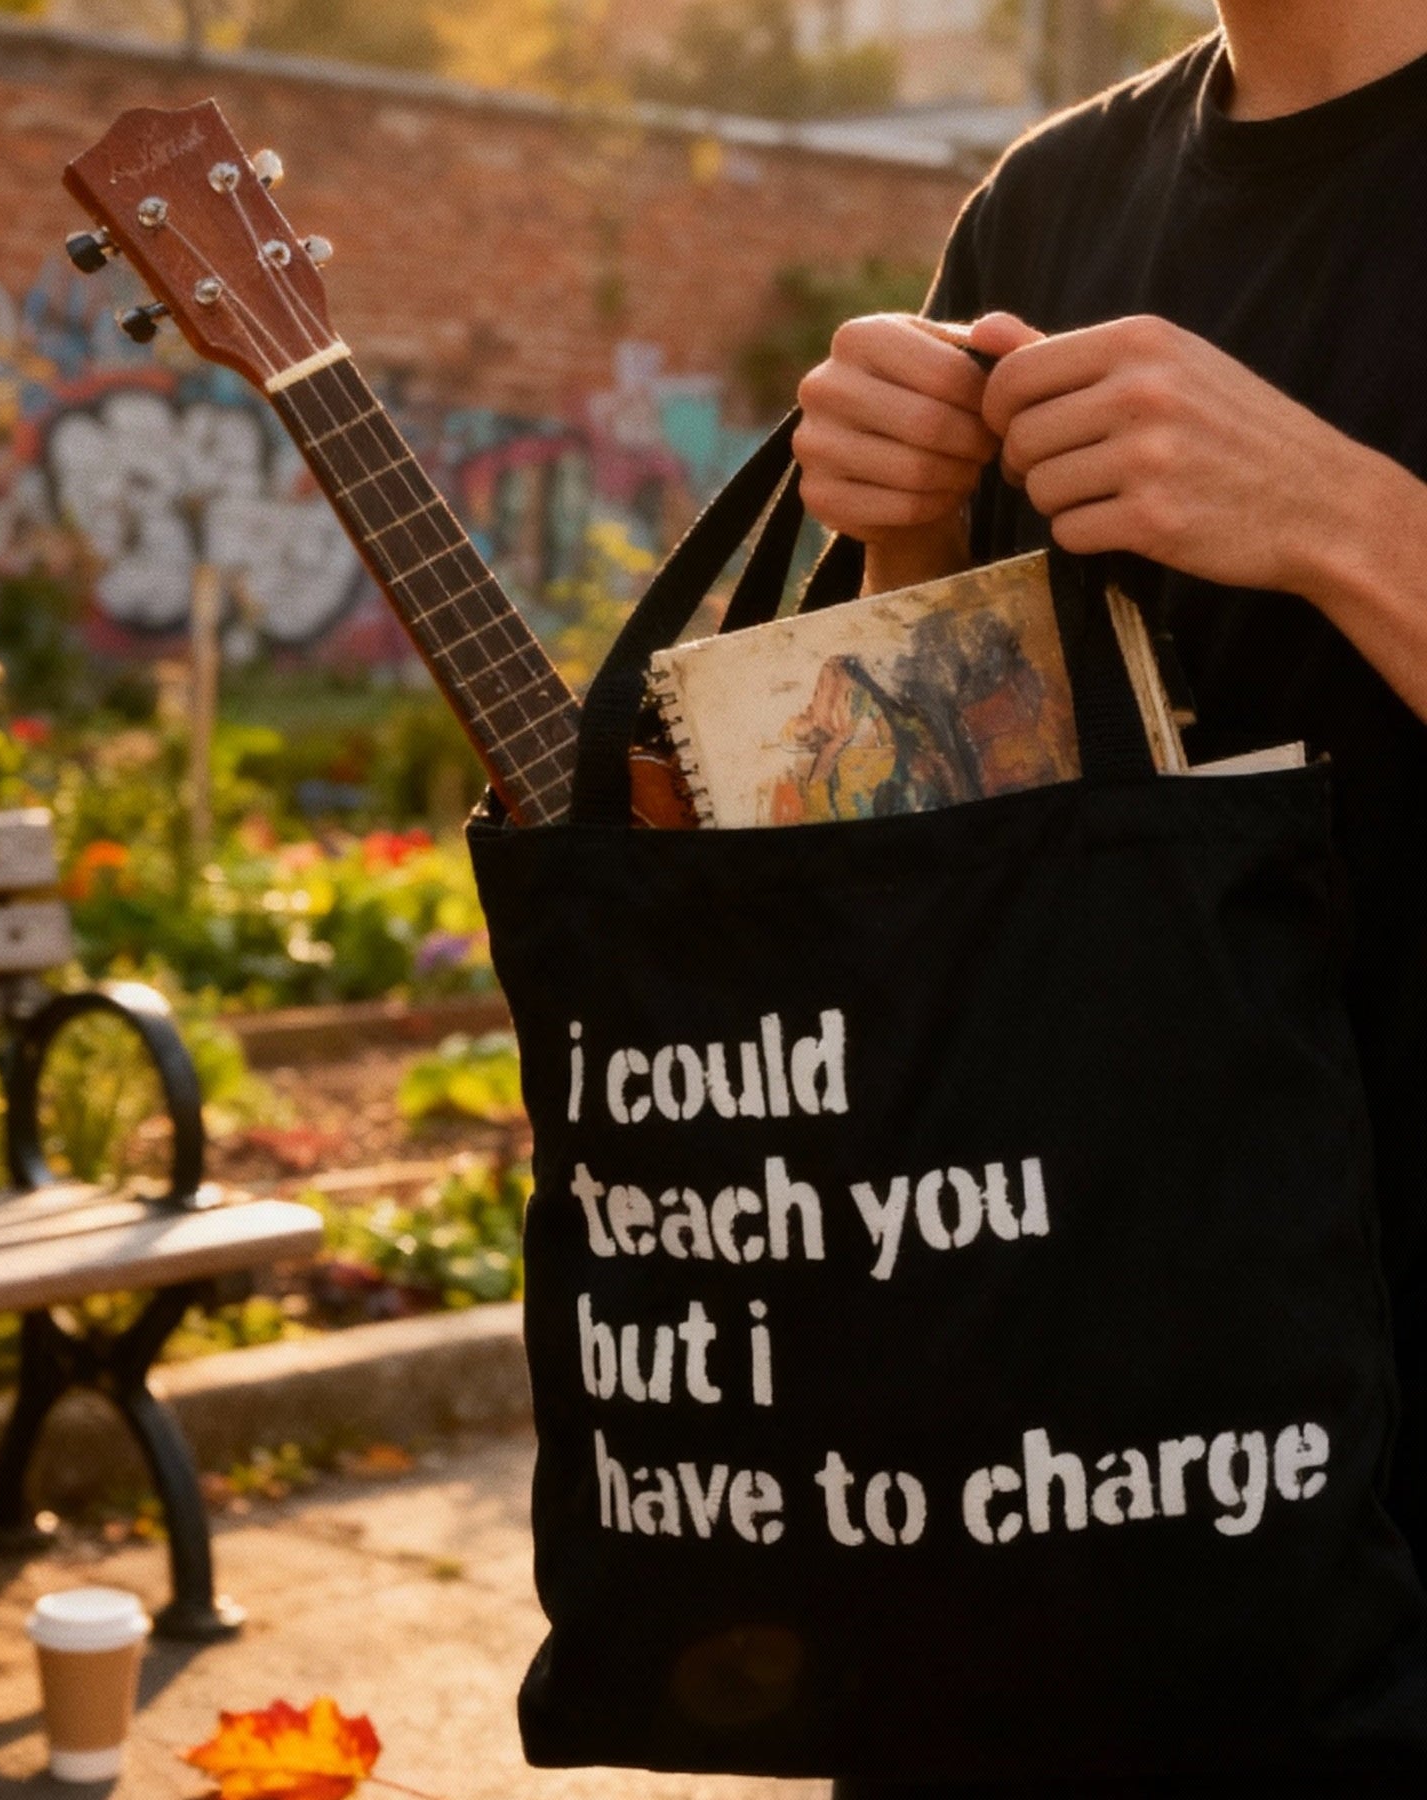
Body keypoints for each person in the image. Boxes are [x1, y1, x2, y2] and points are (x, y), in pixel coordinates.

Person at [794, 2, 1427, 1790]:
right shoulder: (1051, 201)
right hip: (1079, 1383)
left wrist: (1342, 519)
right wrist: (896, 538)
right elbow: (939, 827)